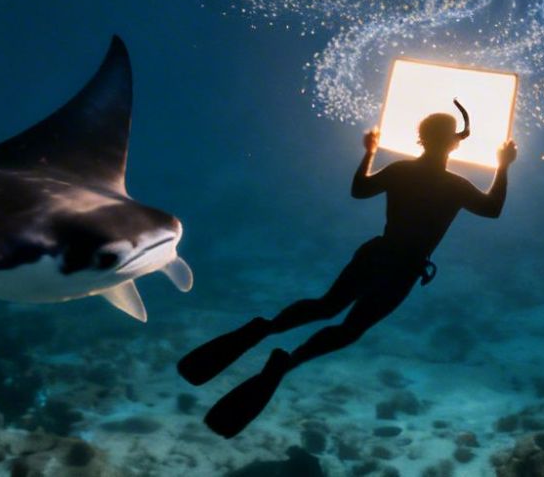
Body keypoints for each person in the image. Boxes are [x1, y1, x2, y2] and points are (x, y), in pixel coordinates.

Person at [179, 101, 517, 438]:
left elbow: (360, 190)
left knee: (325, 305)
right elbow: (492, 209)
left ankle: (262, 328)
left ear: (422, 138)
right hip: (403, 269)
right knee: (351, 328)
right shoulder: (454, 185)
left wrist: (369, 152)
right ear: (455, 142)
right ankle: (289, 363)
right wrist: (502, 167)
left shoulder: (400, 170)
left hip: (375, 254)